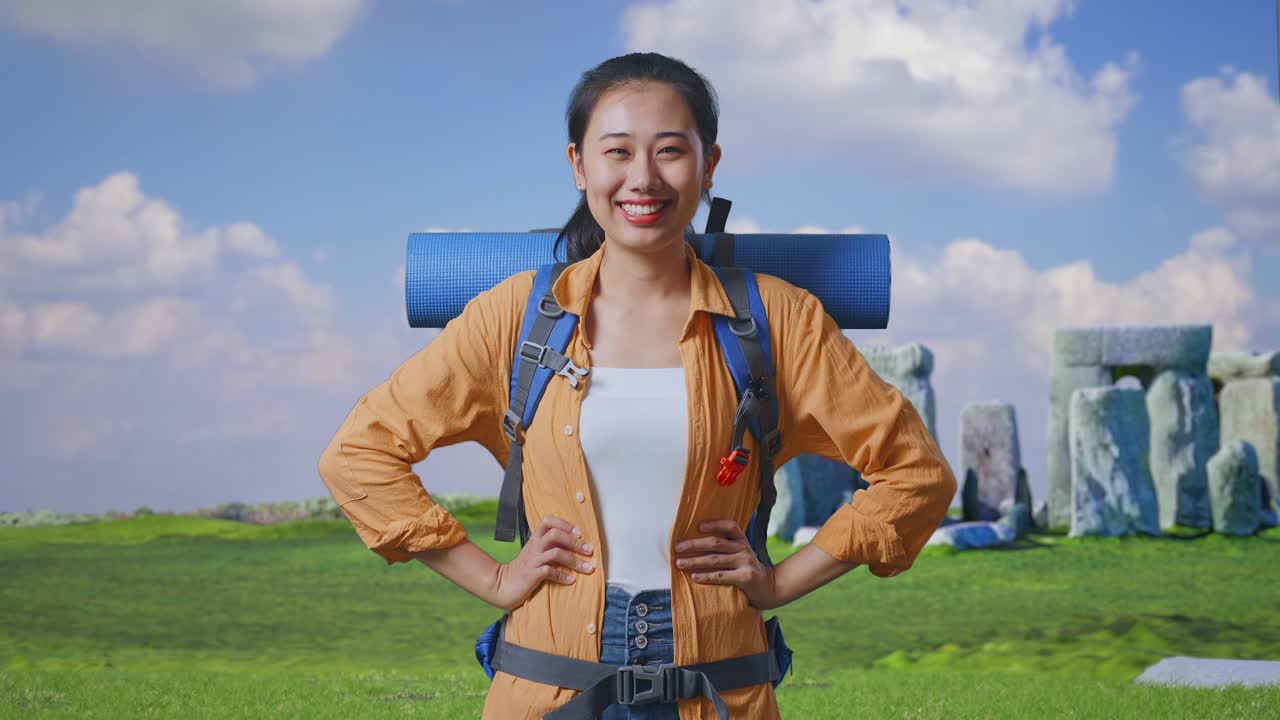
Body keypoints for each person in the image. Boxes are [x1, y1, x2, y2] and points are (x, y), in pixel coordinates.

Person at [317, 52, 958, 720]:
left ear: (709, 166)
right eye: (617, 151)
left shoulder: (780, 319)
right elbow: (359, 453)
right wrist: (494, 579)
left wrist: (778, 582)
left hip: (721, 691)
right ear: (578, 166)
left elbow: (917, 474)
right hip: (545, 687)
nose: (643, 178)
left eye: (671, 151)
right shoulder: (516, 316)